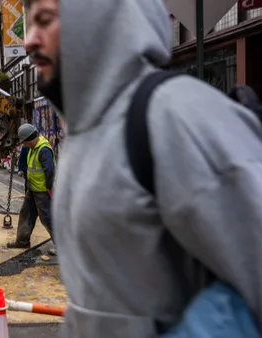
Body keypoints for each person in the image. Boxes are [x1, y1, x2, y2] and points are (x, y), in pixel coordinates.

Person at [24, 0, 262, 336]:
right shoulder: (82, 136)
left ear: (96, 18)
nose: (29, 39)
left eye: (45, 20)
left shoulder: (175, 113)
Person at [6, 124, 56, 256]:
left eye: (26, 142)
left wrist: (49, 187)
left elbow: (50, 171)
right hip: (32, 189)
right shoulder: (33, 149)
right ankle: (22, 241)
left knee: (47, 218)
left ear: (30, 139)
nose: (25, 145)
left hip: (43, 191)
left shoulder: (43, 149)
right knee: (26, 214)